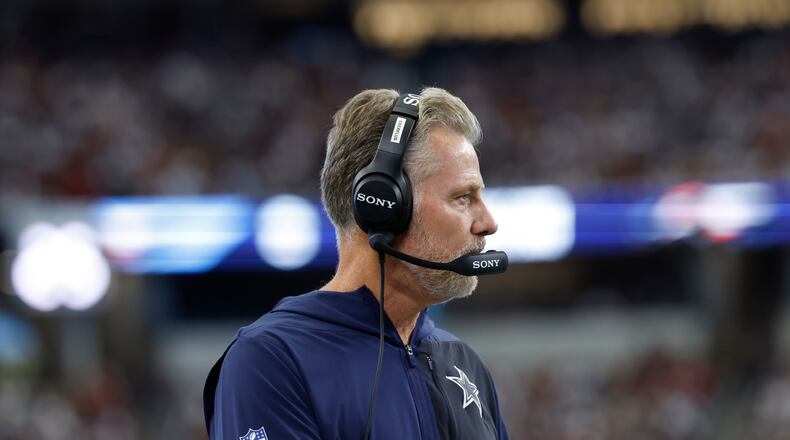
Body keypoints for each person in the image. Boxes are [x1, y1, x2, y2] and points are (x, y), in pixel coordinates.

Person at [204, 87, 510, 439]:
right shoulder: (271, 360)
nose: (487, 222)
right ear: (384, 205)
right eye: (463, 198)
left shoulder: (463, 362)